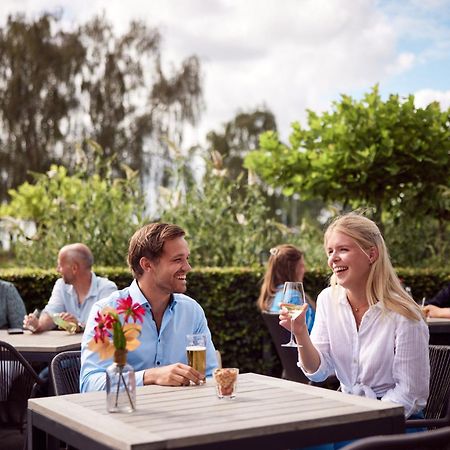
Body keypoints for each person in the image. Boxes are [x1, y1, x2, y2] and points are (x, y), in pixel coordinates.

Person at [279, 213, 429, 449]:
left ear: (371, 254)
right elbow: (317, 372)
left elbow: (410, 394)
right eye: (330, 251)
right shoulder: (328, 299)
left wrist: (361, 419)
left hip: (397, 423)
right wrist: (300, 334)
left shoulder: (405, 314)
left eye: (343, 249)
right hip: (350, 414)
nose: (333, 259)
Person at [80, 222, 218, 392]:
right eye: (177, 260)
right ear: (147, 265)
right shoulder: (108, 313)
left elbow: (210, 375)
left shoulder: (192, 311)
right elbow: (90, 384)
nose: (187, 267)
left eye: (187, 258)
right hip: (127, 415)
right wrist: (150, 376)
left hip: (182, 412)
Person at [23, 243, 117, 333]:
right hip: (69, 349)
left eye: (60, 265)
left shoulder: (107, 289)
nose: (57, 270)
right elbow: (50, 313)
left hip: (97, 348)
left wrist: (79, 326)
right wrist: (37, 325)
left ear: (74, 268)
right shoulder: (61, 285)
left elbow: (107, 326)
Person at [257, 244, 315, 332]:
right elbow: (309, 330)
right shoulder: (292, 296)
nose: (305, 270)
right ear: (292, 269)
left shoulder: (276, 295)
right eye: (302, 265)